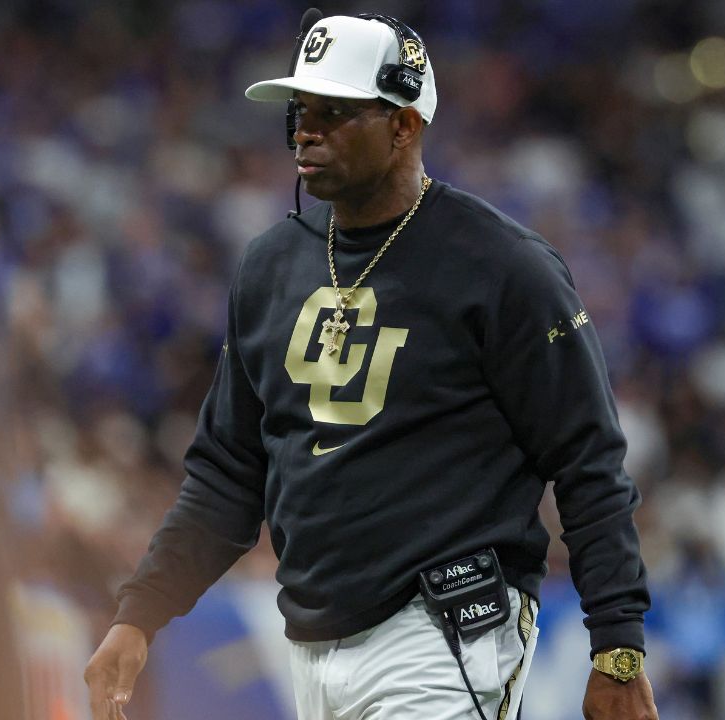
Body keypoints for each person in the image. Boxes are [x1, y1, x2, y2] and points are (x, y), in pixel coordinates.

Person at [85, 11, 657, 720]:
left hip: (446, 630)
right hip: (311, 644)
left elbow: (587, 461)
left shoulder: (503, 267)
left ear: (404, 125)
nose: (306, 129)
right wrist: (139, 614)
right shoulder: (271, 265)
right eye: (300, 109)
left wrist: (618, 646)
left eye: (334, 111)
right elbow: (228, 474)